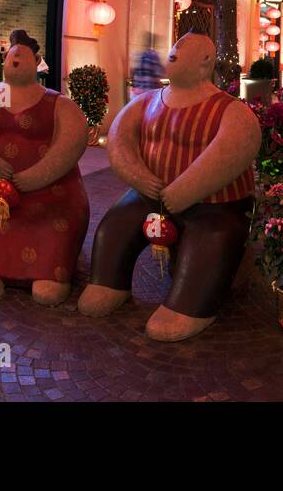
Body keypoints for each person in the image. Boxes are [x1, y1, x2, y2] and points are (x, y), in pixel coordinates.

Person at [78, 33, 262, 341]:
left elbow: (236, 147)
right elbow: (119, 141)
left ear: (206, 61)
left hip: (215, 205)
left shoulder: (230, 110)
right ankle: (107, 281)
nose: (172, 54)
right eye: (173, 49)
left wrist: (187, 190)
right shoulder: (147, 102)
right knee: (115, 226)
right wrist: (138, 177)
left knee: (211, 244)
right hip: (149, 196)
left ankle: (189, 306)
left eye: (180, 51)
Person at [0, 29, 90, 305]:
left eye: (22, 56)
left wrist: (39, 176)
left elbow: (72, 141)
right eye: (11, 56)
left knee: (58, 219)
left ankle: (51, 273)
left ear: (37, 61)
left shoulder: (57, 103)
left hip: (48, 192)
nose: (15, 60)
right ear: (3, 61)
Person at [131, 32, 166, 97]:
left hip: (136, 94)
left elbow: (133, 74)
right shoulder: (153, 56)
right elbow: (160, 75)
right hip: (149, 94)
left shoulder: (137, 55)